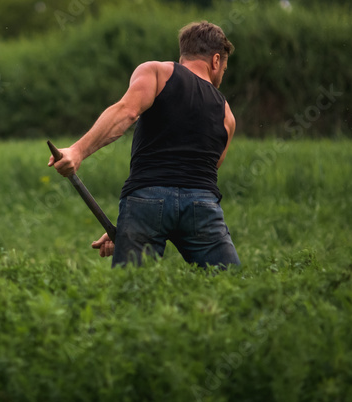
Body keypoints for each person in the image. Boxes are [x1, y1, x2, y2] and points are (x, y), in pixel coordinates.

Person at [47, 21, 240, 269]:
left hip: (146, 200)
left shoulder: (158, 73)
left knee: (133, 285)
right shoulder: (227, 115)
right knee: (230, 280)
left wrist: (77, 151)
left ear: (184, 54)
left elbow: (126, 112)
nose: (221, 76)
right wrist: (129, 228)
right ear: (216, 60)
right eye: (224, 69)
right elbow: (208, 170)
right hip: (202, 206)